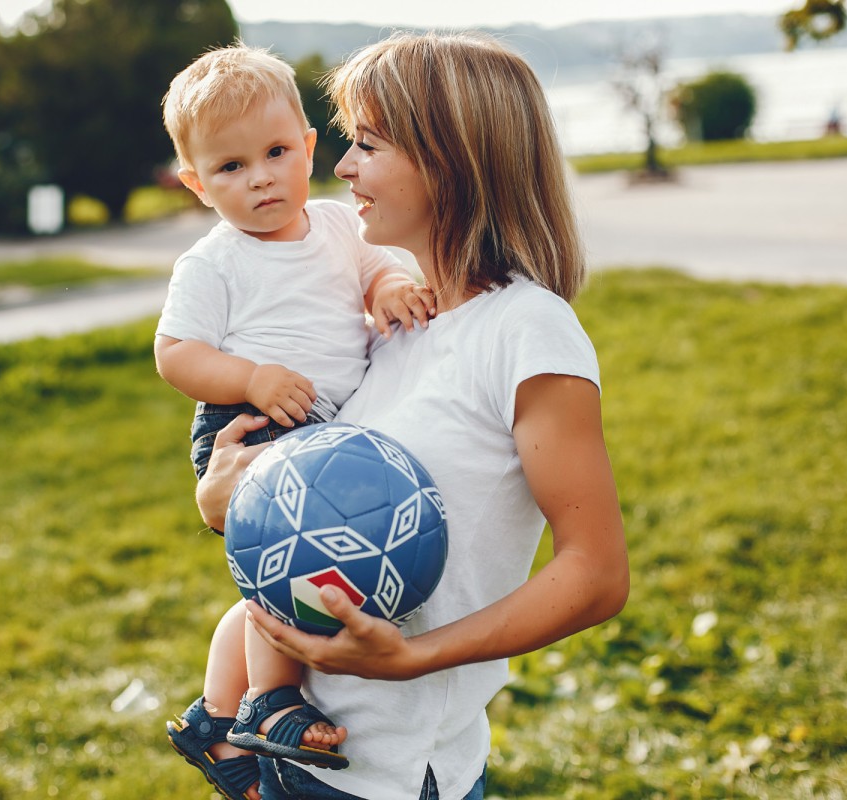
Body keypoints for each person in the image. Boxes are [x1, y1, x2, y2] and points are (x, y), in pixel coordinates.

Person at [195, 31, 630, 800]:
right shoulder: (395, 331)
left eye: (367, 143)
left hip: (391, 775)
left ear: (449, 158)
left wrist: (412, 658)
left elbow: (595, 575)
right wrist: (227, 496)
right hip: (300, 751)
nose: (341, 167)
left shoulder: (528, 331)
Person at [154, 44, 435, 800]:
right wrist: (250, 376)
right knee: (283, 577)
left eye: (277, 153)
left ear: (309, 147)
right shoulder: (214, 265)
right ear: (196, 184)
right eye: (231, 168)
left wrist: (390, 289)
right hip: (252, 423)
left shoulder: (341, 226)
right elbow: (174, 354)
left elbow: (376, 269)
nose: (261, 178)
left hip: (321, 429)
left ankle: (214, 718)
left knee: (267, 585)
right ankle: (270, 699)